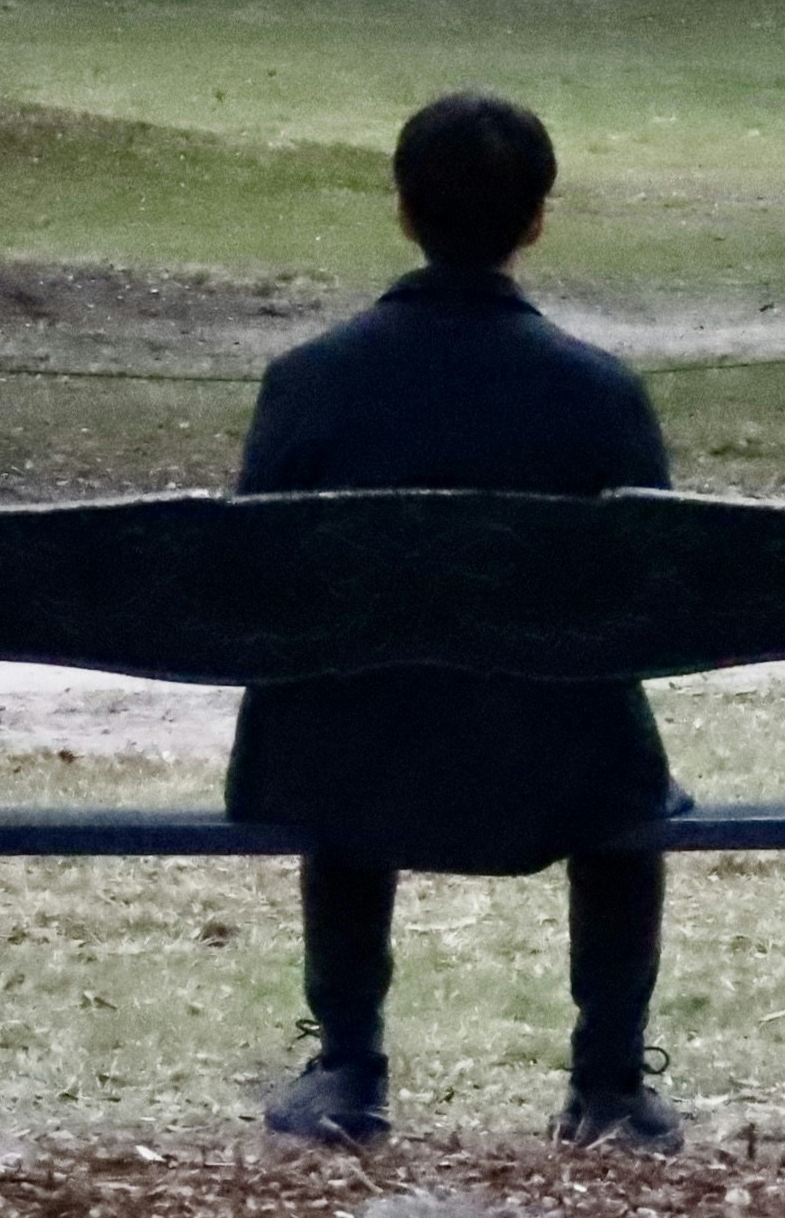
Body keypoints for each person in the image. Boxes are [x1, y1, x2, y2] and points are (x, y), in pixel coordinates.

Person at [230, 90, 684, 1154]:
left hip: (342, 758)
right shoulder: (599, 395)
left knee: (351, 701)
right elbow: (651, 594)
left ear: (402, 210)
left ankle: (348, 1063)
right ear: (535, 220)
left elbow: (254, 579)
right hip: (560, 766)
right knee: (618, 765)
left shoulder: (308, 384)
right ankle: (610, 1079)